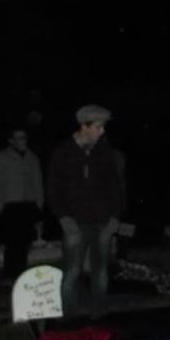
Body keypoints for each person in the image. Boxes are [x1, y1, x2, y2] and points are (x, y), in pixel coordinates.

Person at [47, 104, 123, 317]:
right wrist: (64, 218)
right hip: (75, 223)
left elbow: (116, 187)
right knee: (72, 271)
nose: (102, 131)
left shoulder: (104, 151)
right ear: (84, 126)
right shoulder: (63, 152)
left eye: (103, 127)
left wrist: (115, 219)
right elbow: (53, 189)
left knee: (100, 271)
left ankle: (98, 314)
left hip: (102, 223)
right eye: (98, 127)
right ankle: (68, 317)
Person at [0, 126, 44, 282]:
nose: (22, 141)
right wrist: (1, 207)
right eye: (18, 138)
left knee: (26, 244)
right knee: (12, 244)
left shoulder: (32, 157)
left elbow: (38, 183)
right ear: (11, 140)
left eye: (24, 137)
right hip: (11, 206)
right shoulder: (1, 157)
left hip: (29, 206)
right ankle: (9, 276)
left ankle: (22, 277)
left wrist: (39, 205)